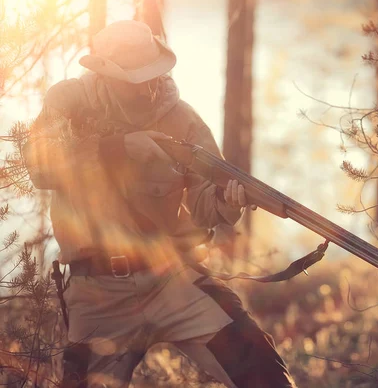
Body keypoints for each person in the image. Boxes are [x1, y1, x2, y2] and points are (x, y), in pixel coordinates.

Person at [23, 20, 296, 388]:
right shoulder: (67, 102)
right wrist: (119, 148)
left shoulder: (184, 120)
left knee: (264, 373)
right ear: (104, 75)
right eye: (135, 79)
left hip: (171, 278)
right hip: (96, 293)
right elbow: (41, 167)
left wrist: (228, 200)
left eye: (153, 75)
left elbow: (204, 205)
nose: (148, 87)